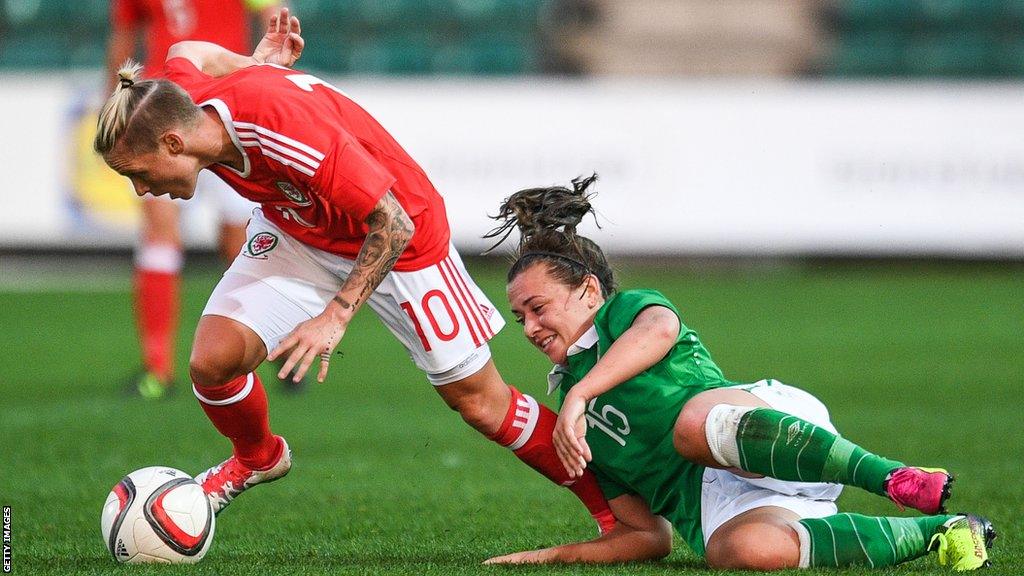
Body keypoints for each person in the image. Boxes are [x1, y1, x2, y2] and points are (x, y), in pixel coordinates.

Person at [92, 8, 616, 535]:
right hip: (301, 230)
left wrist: (336, 314)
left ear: (174, 144)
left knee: (480, 403)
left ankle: (617, 509)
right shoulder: (179, 97)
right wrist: (252, 66)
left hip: (402, 235)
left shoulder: (281, 129)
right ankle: (258, 458)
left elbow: (391, 220)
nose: (141, 189)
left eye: (139, 174)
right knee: (213, 362)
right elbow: (188, 53)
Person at [481, 175, 996, 571]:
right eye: (519, 316)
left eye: (537, 307)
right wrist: (553, 556)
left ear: (589, 291)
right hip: (725, 502)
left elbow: (660, 330)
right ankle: (943, 531)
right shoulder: (579, 418)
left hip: (759, 430)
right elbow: (646, 535)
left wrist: (579, 396)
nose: (528, 326)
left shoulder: (622, 315)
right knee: (739, 552)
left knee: (689, 425)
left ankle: (891, 476)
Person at [106, 0, 284, 398]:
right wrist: (116, 109)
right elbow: (123, 37)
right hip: (157, 115)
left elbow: (273, 15)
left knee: (239, 240)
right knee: (160, 232)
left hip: (223, 111)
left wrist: (258, 78)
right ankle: (158, 369)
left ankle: (279, 351)